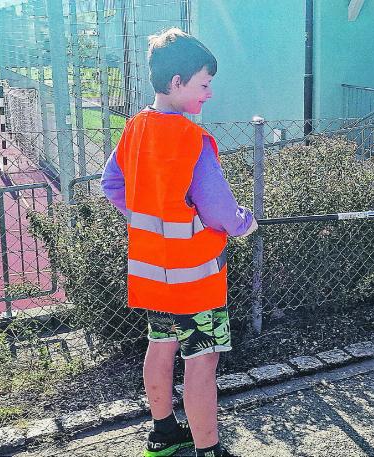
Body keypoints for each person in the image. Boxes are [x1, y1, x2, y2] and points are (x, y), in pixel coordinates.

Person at [101, 27, 256, 457]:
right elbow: (221, 212)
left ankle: (164, 432)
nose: (207, 94)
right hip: (196, 278)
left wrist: (146, 215)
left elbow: (111, 184)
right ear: (177, 83)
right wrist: (245, 224)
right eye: (204, 85)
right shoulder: (192, 140)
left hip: (154, 274)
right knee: (202, 361)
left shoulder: (133, 129)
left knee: (161, 344)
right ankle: (208, 449)